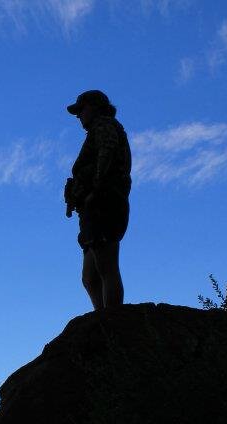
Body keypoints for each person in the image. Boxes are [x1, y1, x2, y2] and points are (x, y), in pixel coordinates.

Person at [65, 90, 131, 310]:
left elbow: (107, 154)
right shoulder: (97, 130)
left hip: (104, 202)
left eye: (81, 109)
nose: (78, 116)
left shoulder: (105, 126)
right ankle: (101, 318)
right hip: (92, 208)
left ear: (94, 106)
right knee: (90, 277)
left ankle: (111, 321)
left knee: (106, 266)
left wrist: (96, 188)